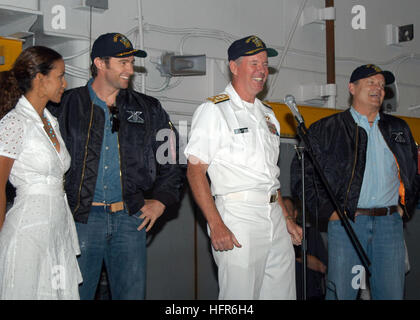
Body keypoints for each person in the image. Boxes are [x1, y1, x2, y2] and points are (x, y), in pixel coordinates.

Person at [48, 33, 184, 300]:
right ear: (100, 63)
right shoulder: (65, 105)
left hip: (129, 220)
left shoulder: (149, 108)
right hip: (80, 220)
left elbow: (173, 159)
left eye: (131, 62)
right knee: (74, 295)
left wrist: (162, 200)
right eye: (123, 63)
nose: (130, 70)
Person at [185, 35, 302, 300]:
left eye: (264, 64)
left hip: (274, 214)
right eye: (254, 63)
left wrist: (286, 218)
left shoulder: (269, 114)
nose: (261, 70)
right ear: (234, 67)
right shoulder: (214, 110)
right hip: (238, 214)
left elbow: (271, 176)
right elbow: (195, 171)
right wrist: (216, 224)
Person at [291, 64, 420, 300]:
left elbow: (414, 172)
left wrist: (403, 208)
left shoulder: (398, 129)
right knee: (342, 292)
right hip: (347, 223)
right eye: (371, 82)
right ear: (352, 88)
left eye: (382, 85)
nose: (378, 89)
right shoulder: (327, 129)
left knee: (392, 294)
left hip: (389, 225)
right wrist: (329, 212)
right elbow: (303, 177)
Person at [0, 46, 82, 299]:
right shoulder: (14, 123)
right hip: (27, 231)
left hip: (58, 229)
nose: (64, 83)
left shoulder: (51, 121)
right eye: (60, 76)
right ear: (39, 79)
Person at [283, 196, 327, 300]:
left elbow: (322, 267)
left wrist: (296, 255)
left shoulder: (310, 233)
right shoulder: (272, 238)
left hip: (310, 294)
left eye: (286, 211)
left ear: (295, 214)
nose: (283, 216)